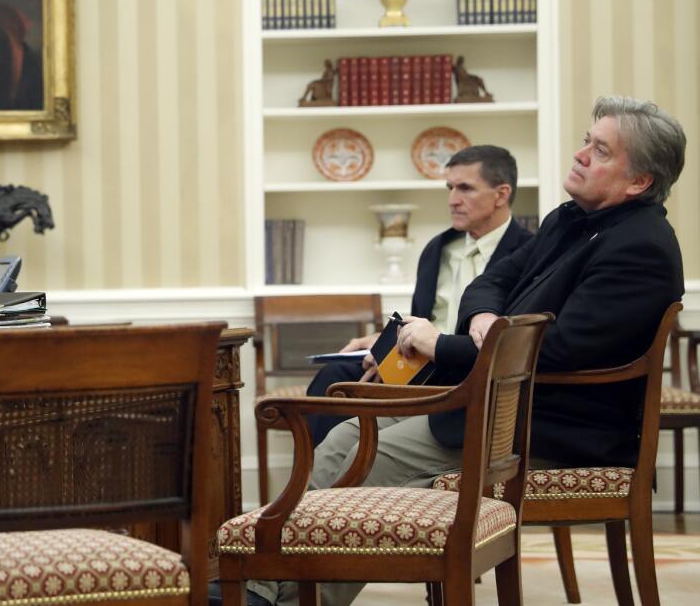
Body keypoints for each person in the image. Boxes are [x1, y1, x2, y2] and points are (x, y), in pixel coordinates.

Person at [248, 96, 686, 606]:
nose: (581, 153)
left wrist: (447, 346)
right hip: (499, 407)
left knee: (371, 463)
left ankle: (287, 599)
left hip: (554, 429)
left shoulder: (642, 247)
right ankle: (262, 588)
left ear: (639, 182)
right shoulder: (569, 220)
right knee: (346, 435)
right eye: (588, 140)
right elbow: (491, 282)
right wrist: (483, 321)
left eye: (601, 150)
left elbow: (560, 352)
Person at [302, 145, 532, 447]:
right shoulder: (438, 249)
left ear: (501, 194)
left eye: (465, 188)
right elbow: (421, 318)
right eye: (449, 188)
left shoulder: (529, 254)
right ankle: (316, 489)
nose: (452, 200)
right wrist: (384, 343)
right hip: (419, 364)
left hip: (470, 370)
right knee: (336, 377)